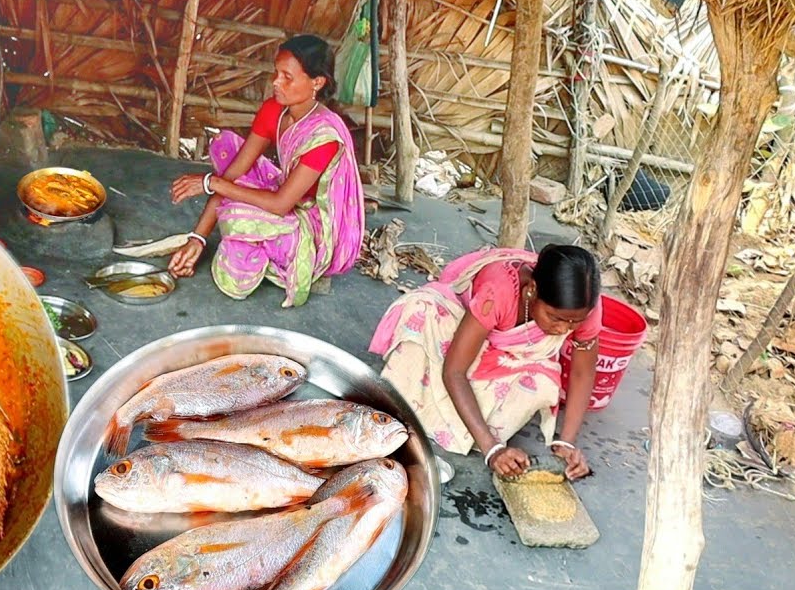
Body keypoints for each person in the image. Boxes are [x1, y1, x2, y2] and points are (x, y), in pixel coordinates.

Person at [368, 245, 602, 480]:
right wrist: (492, 450)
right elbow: (454, 371)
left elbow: (582, 373)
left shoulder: (585, 307)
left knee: (541, 385)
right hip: (460, 326)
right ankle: (448, 421)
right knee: (421, 313)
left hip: (508, 354)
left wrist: (567, 443)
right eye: (555, 318)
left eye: (573, 323)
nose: (563, 329)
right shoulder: (498, 290)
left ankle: (474, 428)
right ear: (532, 289)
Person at [167, 34, 364, 308]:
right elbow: (232, 174)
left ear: (317, 82)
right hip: (285, 194)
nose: (276, 82)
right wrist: (197, 238)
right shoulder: (275, 110)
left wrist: (211, 183)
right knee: (226, 147)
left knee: (236, 217)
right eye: (276, 73)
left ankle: (271, 252)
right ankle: (252, 243)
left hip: (313, 224)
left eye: (287, 77)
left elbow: (281, 204)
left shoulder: (324, 137)